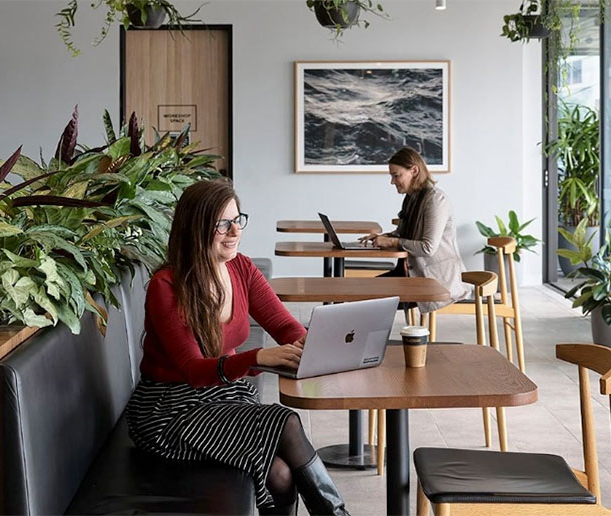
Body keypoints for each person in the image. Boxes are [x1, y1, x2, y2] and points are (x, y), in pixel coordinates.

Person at [126, 179, 350, 516]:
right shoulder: (166, 285)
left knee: (281, 472)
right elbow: (192, 369)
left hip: (224, 395)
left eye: (237, 220)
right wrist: (257, 358)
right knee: (285, 420)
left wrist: (314, 344)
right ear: (195, 227)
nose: (234, 231)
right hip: (168, 410)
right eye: (222, 224)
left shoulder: (241, 268)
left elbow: (282, 325)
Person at [360, 147, 468, 313]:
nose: (392, 181)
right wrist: (383, 237)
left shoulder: (435, 200)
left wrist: (392, 241)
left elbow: (427, 248)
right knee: (359, 293)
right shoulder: (411, 199)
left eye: (396, 175)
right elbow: (402, 234)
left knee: (363, 298)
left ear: (414, 171)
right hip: (411, 274)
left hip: (434, 281)